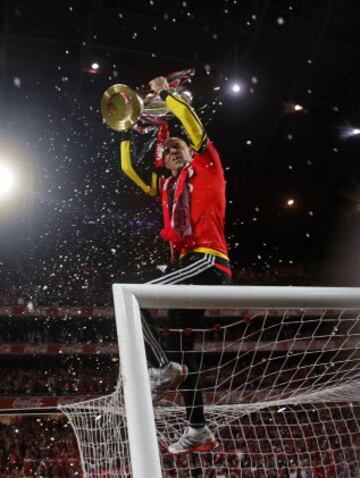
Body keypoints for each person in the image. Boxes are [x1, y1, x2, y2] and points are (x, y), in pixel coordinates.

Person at [119, 76, 231, 454]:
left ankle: (160, 367)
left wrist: (166, 93)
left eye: (178, 146)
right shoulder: (169, 187)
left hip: (207, 261)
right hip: (188, 267)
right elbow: (132, 172)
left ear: (192, 150)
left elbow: (190, 120)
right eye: (167, 152)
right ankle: (197, 427)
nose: (172, 152)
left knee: (130, 296)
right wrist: (125, 130)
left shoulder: (207, 165)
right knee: (186, 354)